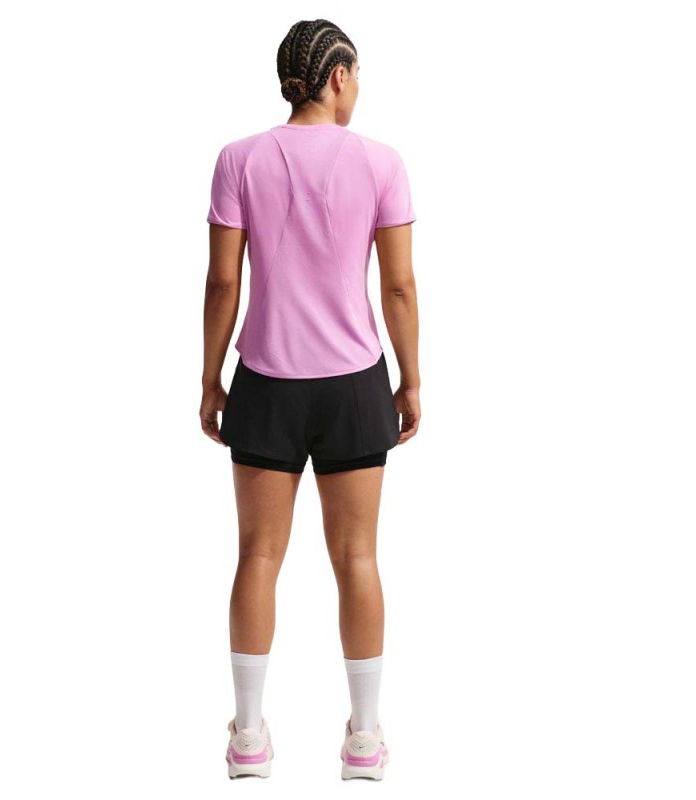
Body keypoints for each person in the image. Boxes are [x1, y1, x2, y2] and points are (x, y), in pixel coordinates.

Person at [200, 19, 421, 780]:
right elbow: (398, 286)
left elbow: (223, 281)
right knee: (357, 557)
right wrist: (411, 379)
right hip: (356, 385)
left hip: (265, 384)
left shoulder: (238, 160)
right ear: (338, 76)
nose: (358, 91)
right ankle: (365, 740)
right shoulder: (383, 163)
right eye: (357, 77)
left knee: (257, 556)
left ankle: (248, 738)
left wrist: (210, 378)